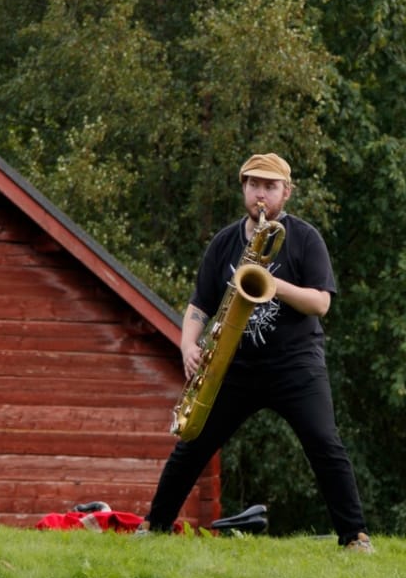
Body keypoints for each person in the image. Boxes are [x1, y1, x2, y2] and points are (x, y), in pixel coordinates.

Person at [142, 153, 373, 552]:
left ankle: (354, 537)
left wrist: (272, 284)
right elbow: (199, 306)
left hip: (296, 365)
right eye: (253, 185)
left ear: (286, 191)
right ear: (244, 188)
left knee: (325, 443)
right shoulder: (224, 243)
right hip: (236, 364)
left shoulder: (305, 239)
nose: (260, 194)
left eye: (269, 186)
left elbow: (320, 304)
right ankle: (155, 527)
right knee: (191, 443)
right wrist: (187, 344)